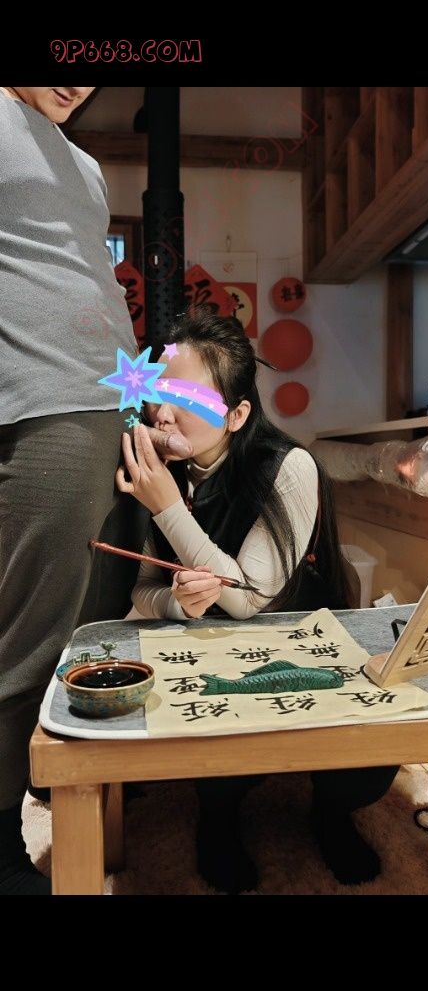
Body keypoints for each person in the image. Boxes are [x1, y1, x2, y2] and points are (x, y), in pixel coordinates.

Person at [117, 308, 399, 894]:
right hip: (219, 651)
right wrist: (178, 604)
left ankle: (331, 813)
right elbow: (142, 588)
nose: (162, 414)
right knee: (217, 751)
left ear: (237, 413)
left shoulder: (288, 466)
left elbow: (250, 595)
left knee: (365, 763)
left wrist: (166, 506)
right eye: (157, 394)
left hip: (308, 638)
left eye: (186, 398)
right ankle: (218, 816)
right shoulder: (158, 468)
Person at [0, 87, 149, 895]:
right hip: (43, 395)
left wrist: (141, 394)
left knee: (97, 618)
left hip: (112, 400)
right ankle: (0, 844)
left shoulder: (85, 166)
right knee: (30, 631)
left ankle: (47, 774)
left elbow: (89, 280)